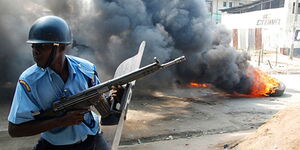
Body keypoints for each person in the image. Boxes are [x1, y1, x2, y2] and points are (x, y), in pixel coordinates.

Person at [8, 16, 122, 150]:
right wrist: (60, 121)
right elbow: (14, 130)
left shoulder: (86, 69)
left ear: (61, 47)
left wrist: (115, 97)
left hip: (93, 139)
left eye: (43, 46)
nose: (35, 51)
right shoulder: (29, 81)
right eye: (33, 46)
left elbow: (100, 103)